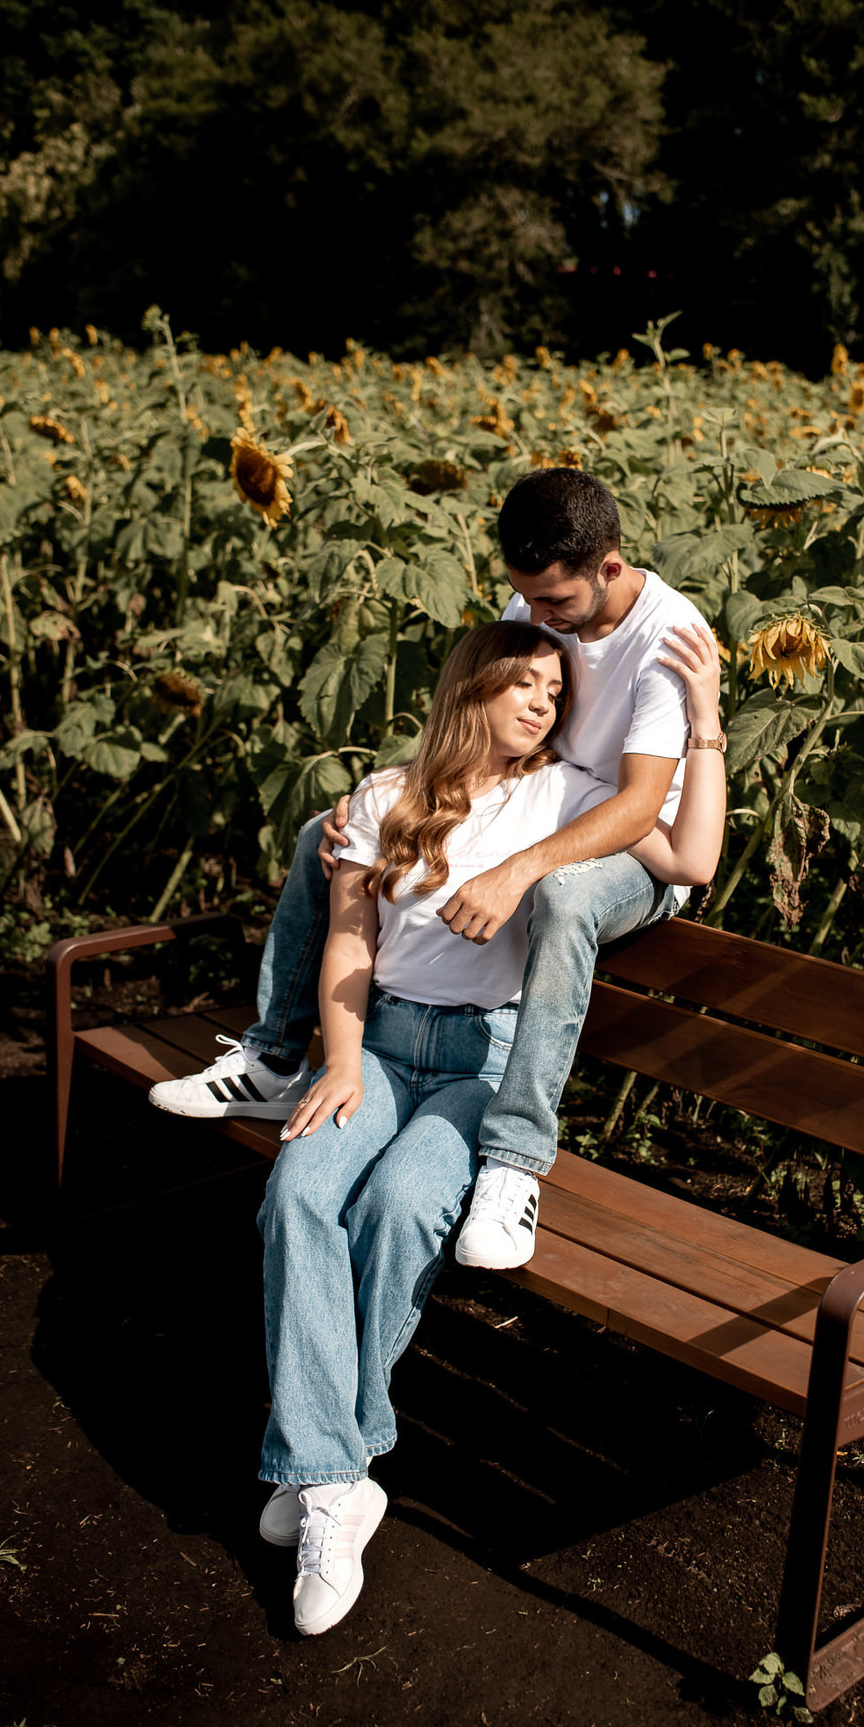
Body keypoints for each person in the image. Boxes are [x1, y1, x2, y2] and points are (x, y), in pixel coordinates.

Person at [254, 618, 724, 1637]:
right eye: (524, 684)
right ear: (470, 688)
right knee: (295, 1196)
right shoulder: (383, 797)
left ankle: (323, 1468)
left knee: (402, 1203)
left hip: (482, 1067)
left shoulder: (569, 797)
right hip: (378, 1048)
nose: (544, 704)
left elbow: (691, 855)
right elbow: (348, 940)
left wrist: (705, 720)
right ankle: (345, 1477)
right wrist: (338, 1062)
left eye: (555, 692)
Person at [150, 469, 723, 1268]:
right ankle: (276, 1055)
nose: (539, 618)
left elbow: (638, 809)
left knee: (562, 895)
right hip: (537, 796)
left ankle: (515, 1159)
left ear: (611, 569)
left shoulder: (668, 637)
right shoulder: (534, 600)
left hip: (633, 850)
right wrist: (389, 801)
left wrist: (515, 870)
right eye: (527, 600)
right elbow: (482, 702)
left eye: (556, 605)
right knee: (333, 829)